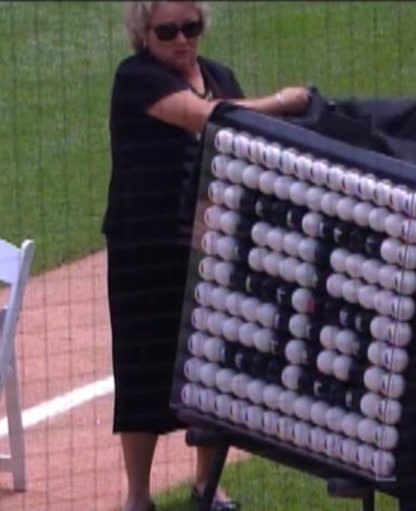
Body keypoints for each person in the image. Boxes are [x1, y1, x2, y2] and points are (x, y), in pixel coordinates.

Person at [102, 2, 310, 511]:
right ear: (144, 34)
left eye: (190, 28)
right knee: (142, 363)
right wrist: (286, 100)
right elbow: (209, 119)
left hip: (210, 246)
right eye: (167, 31)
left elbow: (243, 148)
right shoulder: (136, 78)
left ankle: (207, 485)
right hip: (144, 247)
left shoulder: (218, 75)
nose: (181, 40)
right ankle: (137, 496)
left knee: (215, 364)